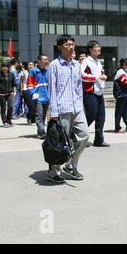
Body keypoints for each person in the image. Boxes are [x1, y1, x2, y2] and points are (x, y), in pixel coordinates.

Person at [46, 34, 89, 184]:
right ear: (59, 48)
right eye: (67, 45)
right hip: (61, 109)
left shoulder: (76, 65)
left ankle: (70, 165)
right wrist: (53, 112)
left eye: (72, 44)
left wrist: (81, 106)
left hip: (76, 108)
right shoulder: (54, 66)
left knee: (84, 135)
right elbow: (52, 90)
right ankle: (54, 171)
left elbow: (78, 88)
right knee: (59, 141)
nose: (71, 47)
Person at [81, 40, 109, 147]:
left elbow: (100, 74)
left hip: (99, 93)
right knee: (90, 116)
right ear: (90, 49)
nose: (99, 49)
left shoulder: (98, 61)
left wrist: (103, 77)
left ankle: (99, 139)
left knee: (101, 117)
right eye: (96, 47)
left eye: (99, 46)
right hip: (90, 93)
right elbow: (81, 75)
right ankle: (75, 136)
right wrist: (97, 77)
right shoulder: (85, 61)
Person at [27, 54, 50, 139]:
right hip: (37, 98)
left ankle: (40, 132)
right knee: (39, 116)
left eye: (47, 59)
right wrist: (33, 94)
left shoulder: (48, 70)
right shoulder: (33, 71)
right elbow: (29, 84)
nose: (46, 61)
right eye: (44, 59)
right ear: (39, 61)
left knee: (43, 116)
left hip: (46, 97)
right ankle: (42, 132)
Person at [113, 58, 127, 133]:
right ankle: (117, 127)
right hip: (120, 95)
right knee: (119, 112)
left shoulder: (122, 71)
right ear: (125, 64)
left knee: (125, 111)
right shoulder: (120, 72)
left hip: (123, 95)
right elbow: (125, 82)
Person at [0, 63, 16, 127]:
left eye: (6, 67)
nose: (5, 68)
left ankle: (9, 120)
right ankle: (4, 121)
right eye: (3, 66)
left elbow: (13, 84)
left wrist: (15, 92)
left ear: (8, 67)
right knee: (3, 108)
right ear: (1, 67)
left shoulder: (11, 74)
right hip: (1, 93)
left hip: (10, 93)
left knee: (11, 106)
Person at [20, 61, 36, 125]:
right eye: (29, 65)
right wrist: (21, 89)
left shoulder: (35, 72)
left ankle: (29, 116)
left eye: (32, 65)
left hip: (34, 90)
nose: (30, 66)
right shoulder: (24, 72)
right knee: (30, 106)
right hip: (26, 90)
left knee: (34, 106)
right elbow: (21, 81)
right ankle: (33, 120)